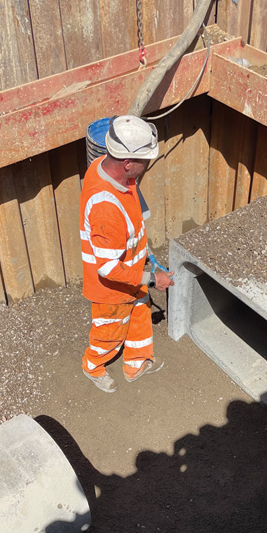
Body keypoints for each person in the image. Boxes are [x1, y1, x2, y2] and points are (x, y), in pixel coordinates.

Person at [79, 115, 175, 393]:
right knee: (109, 331)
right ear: (128, 163)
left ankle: (136, 362)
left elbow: (130, 220)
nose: (148, 166)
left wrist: (143, 256)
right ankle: (92, 366)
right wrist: (153, 278)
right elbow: (108, 269)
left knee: (139, 312)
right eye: (145, 161)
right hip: (111, 286)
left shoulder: (103, 166)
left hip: (131, 272)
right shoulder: (105, 208)